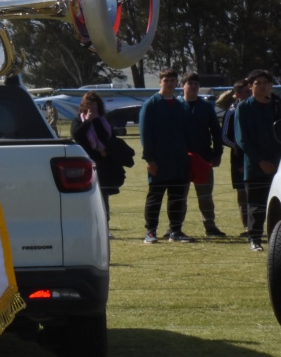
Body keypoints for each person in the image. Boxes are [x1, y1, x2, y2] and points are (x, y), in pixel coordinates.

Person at [235, 69, 281, 252]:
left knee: (280, 204)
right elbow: (243, 140)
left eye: (265, 83)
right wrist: (261, 162)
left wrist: (274, 161)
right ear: (250, 87)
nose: (262, 86)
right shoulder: (243, 108)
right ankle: (255, 238)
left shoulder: (278, 106)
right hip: (255, 167)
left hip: (277, 166)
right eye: (257, 83)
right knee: (256, 206)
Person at [139, 68, 193, 243]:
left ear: (176, 82)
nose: (169, 83)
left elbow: (186, 133)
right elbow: (145, 134)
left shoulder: (180, 105)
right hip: (159, 160)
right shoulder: (151, 105)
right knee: (155, 196)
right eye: (166, 80)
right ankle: (151, 232)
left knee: (177, 196)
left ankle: (175, 231)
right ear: (160, 82)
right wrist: (149, 159)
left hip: (179, 160)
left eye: (172, 80)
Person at [70, 91, 127, 237]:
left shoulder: (103, 121)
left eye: (94, 103)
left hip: (105, 165)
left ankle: (104, 228)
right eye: (88, 103)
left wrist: (105, 152)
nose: (92, 106)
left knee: (103, 196)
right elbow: (77, 136)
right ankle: (86, 228)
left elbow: (109, 139)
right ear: (83, 105)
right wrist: (88, 121)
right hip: (87, 164)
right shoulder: (78, 120)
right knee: (86, 198)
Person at [180, 72, 225, 236]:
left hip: (204, 157)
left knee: (205, 195)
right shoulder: (176, 106)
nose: (193, 87)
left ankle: (210, 226)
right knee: (179, 196)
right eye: (189, 83)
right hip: (180, 159)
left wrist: (217, 153)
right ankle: (176, 227)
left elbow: (216, 131)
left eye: (196, 84)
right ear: (183, 86)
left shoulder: (206, 107)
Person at [221, 79, 251, 237]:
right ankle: (247, 227)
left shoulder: (257, 108)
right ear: (237, 94)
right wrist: (242, 148)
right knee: (243, 194)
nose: (250, 94)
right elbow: (224, 137)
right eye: (246, 92)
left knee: (261, 191)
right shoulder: (231, 112)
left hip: (258, 157)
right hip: (239, 159)